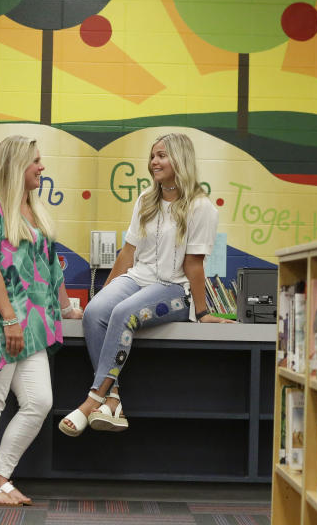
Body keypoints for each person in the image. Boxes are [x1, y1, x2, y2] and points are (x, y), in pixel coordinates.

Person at [59, 133, 234, 437]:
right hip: (138, 278)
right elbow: (127, 253)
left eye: (162, 155)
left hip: (173, 289)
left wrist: (203, 311)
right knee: (95, 311)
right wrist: (106, 292)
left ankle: (93, 400)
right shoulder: (145, 200)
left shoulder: (201, 207)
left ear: (180, 158)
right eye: (153, 156)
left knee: (124, 312)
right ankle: (113, 401)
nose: (154, 162)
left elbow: (194, 265)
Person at [0, 135, 67, 506]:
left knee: (39, 401)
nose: (42, 167)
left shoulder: (36, 212)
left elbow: (52, 269)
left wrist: (68, 308)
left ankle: (1, 477)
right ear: (17, 166)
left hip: (31, 327)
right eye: (36, 161)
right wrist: (8, 319)